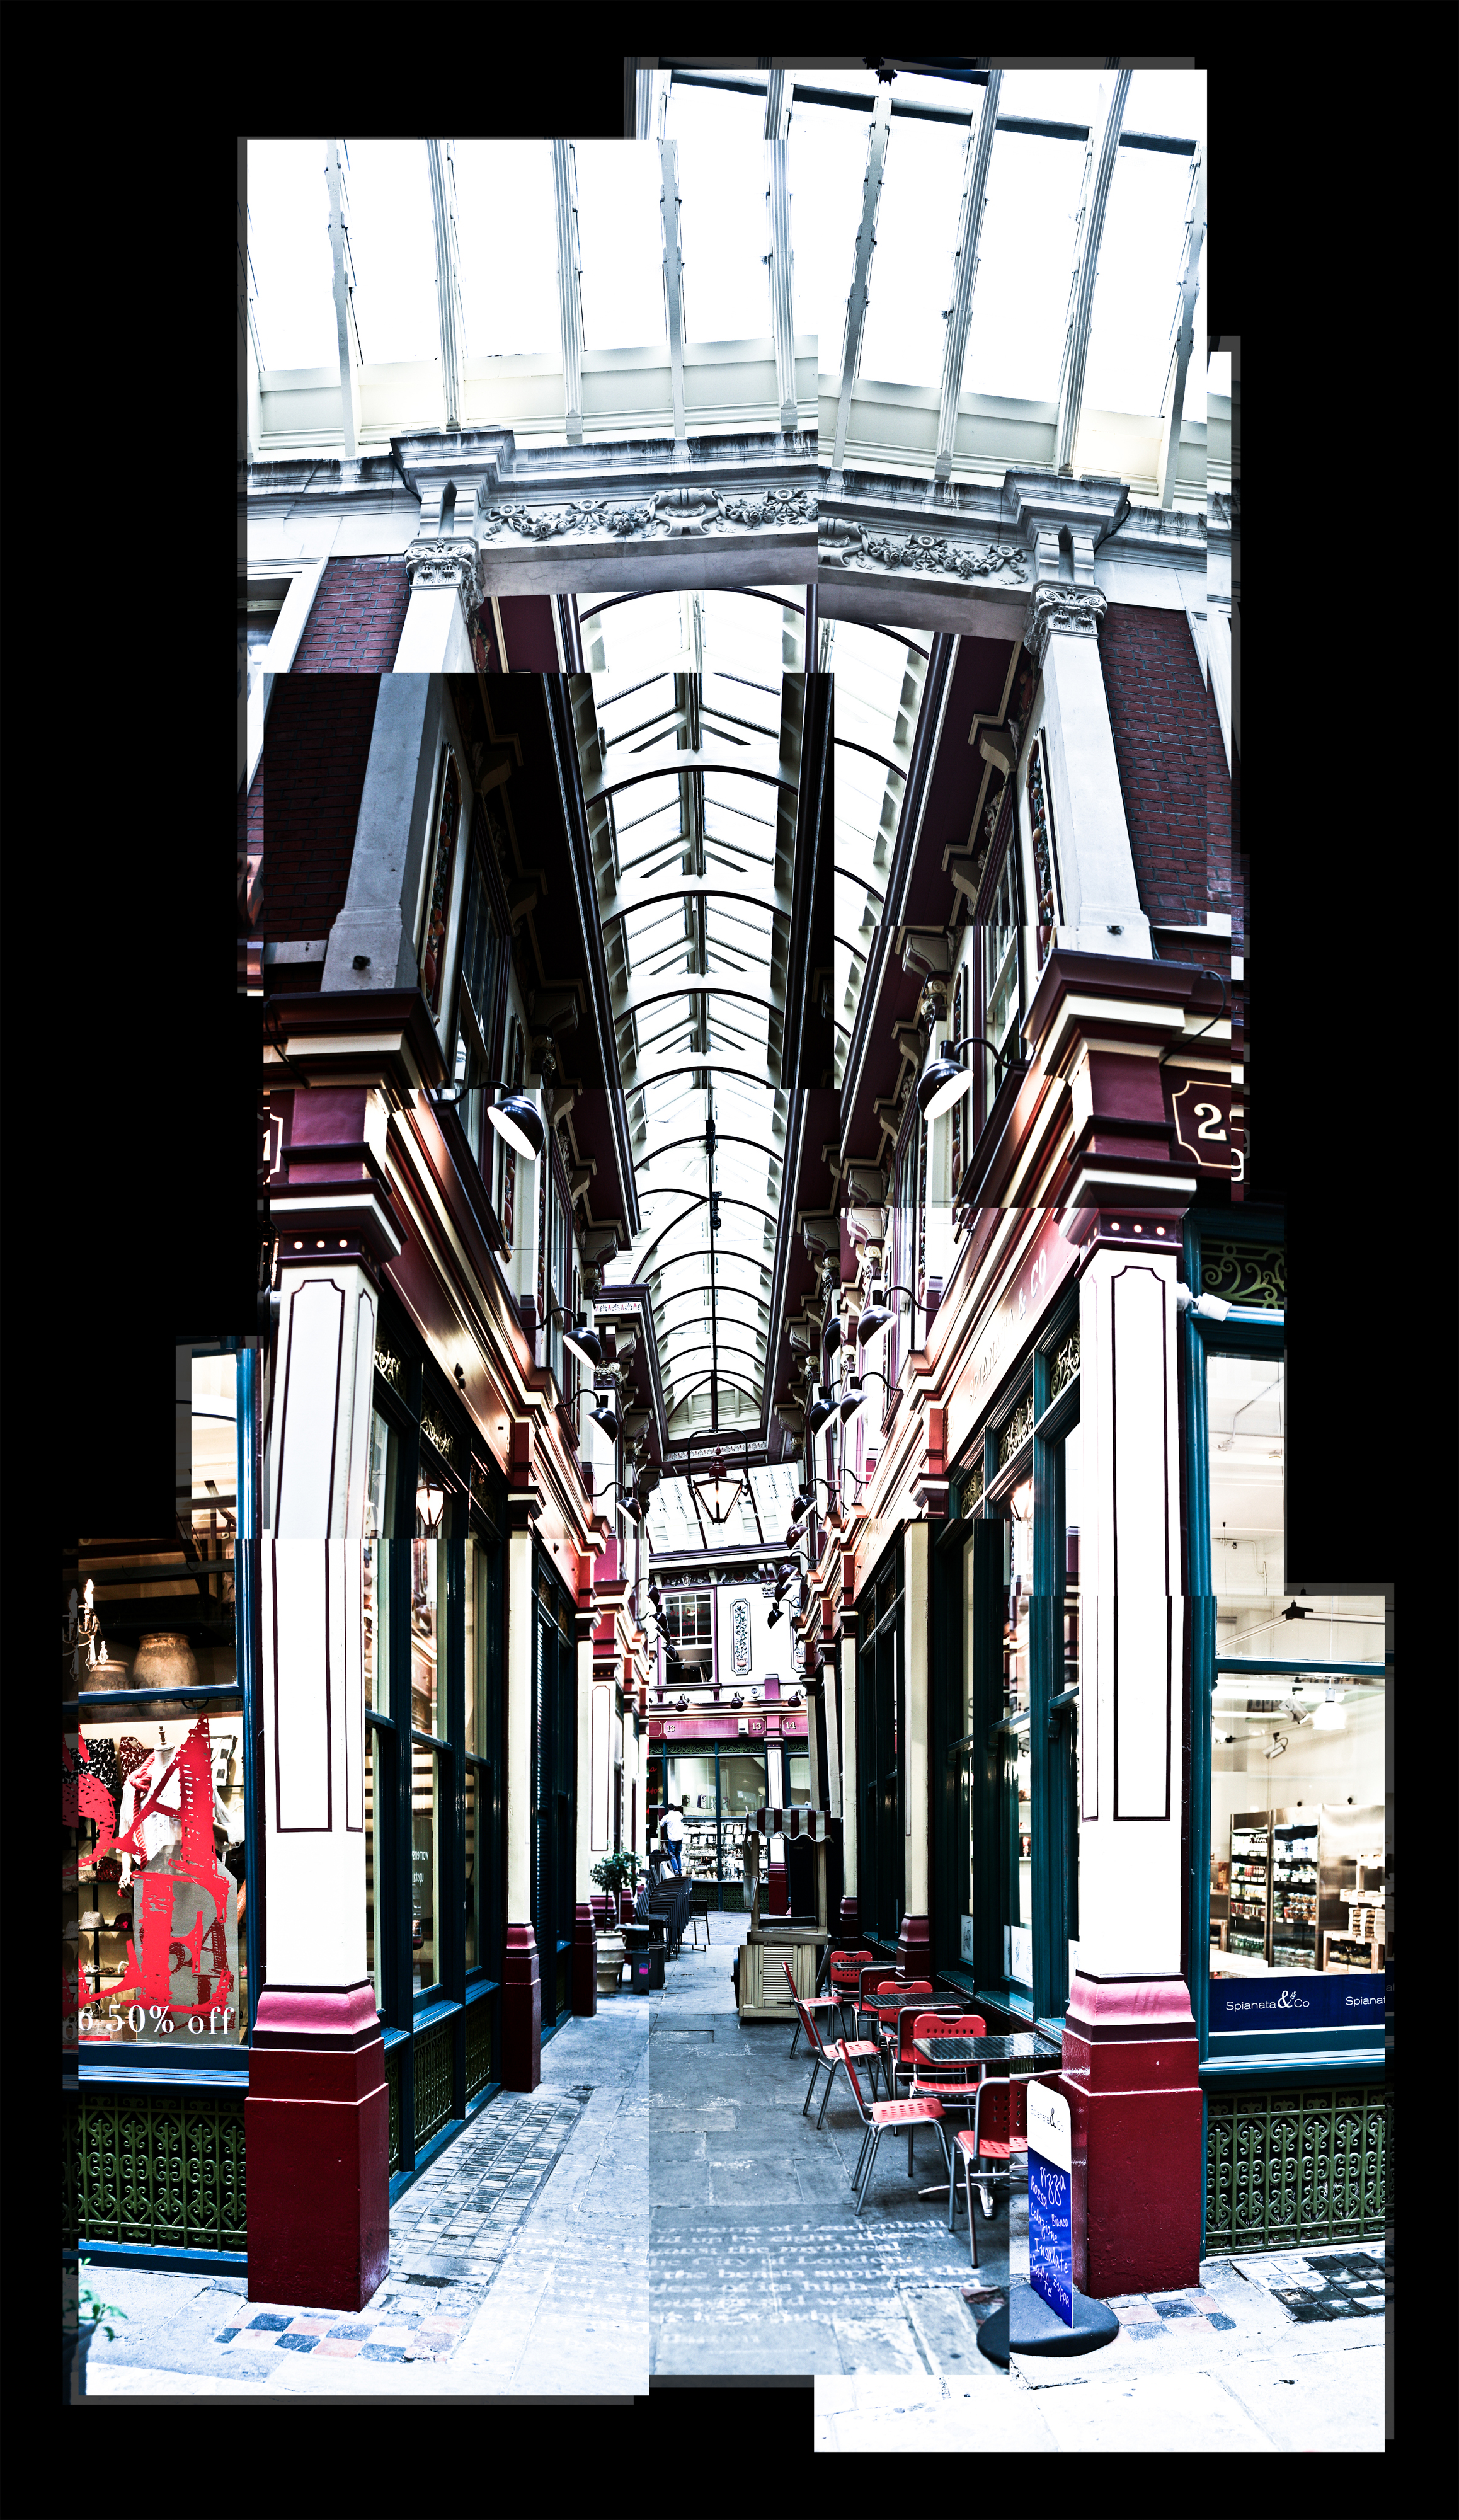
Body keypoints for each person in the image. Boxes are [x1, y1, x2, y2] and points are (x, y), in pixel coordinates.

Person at [663, 1802, 684, 1876]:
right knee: (678, 1855)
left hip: (672, 1838)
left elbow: (661, 1824)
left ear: (668, 1809)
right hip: (680, 1837)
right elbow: (682, 1818)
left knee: (672, 1855)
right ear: (674, 1808)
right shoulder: (678, 1813)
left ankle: (676, 1871)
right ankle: (680, 1870)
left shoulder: (666, 1817)